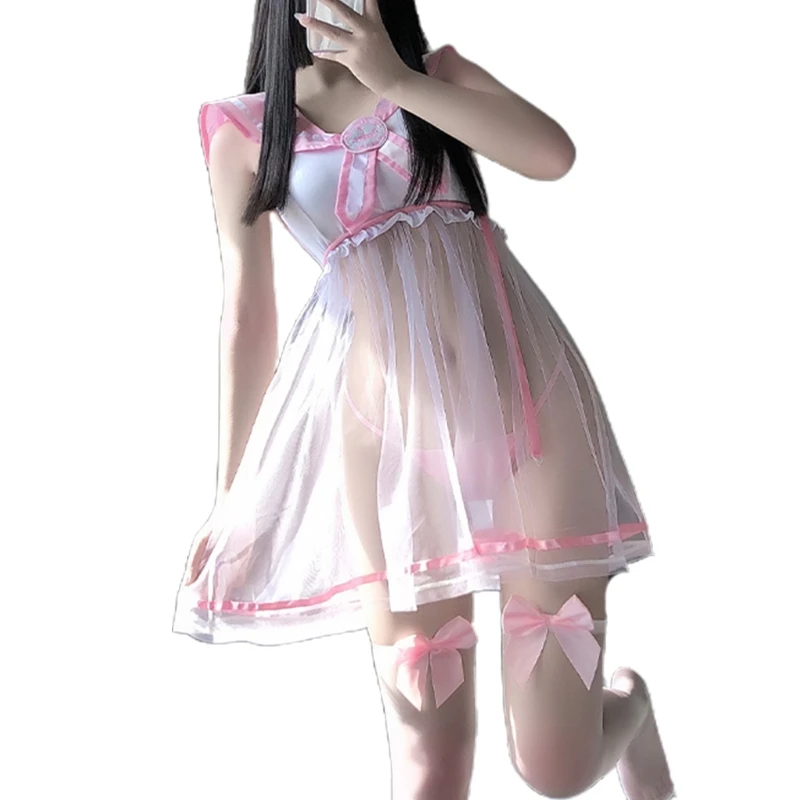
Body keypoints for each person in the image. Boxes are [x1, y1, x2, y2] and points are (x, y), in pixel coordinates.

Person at [172, 2, 676, 798]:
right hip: (387, 451)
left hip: (529, 417)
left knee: (554, 768)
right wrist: (231, 494)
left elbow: (552, 156)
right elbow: (248, 317)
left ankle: (632, 711)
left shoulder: (437, 76)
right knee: (430, 767)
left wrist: (398, 80)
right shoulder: (244, 131)